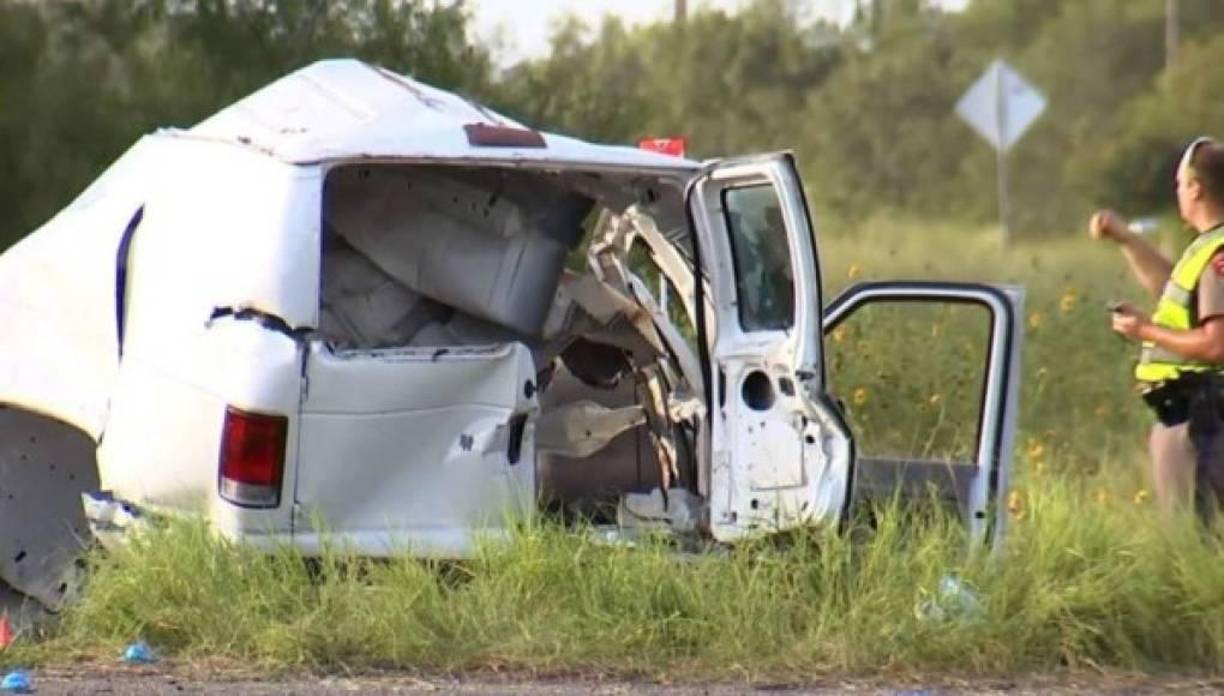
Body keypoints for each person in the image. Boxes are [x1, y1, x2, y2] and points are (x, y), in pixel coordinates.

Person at [1090, 136, 1224, 520]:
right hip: (1191, 419)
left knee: (1199, 543)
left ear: (1196, 189)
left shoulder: (1219, 255)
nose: (1177, 191)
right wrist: (1127, 239)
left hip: (1203, 422)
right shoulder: (1206, 247)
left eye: (1180, 183)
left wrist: (1145, 331)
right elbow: (1170, 287)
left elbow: (1216, 345)